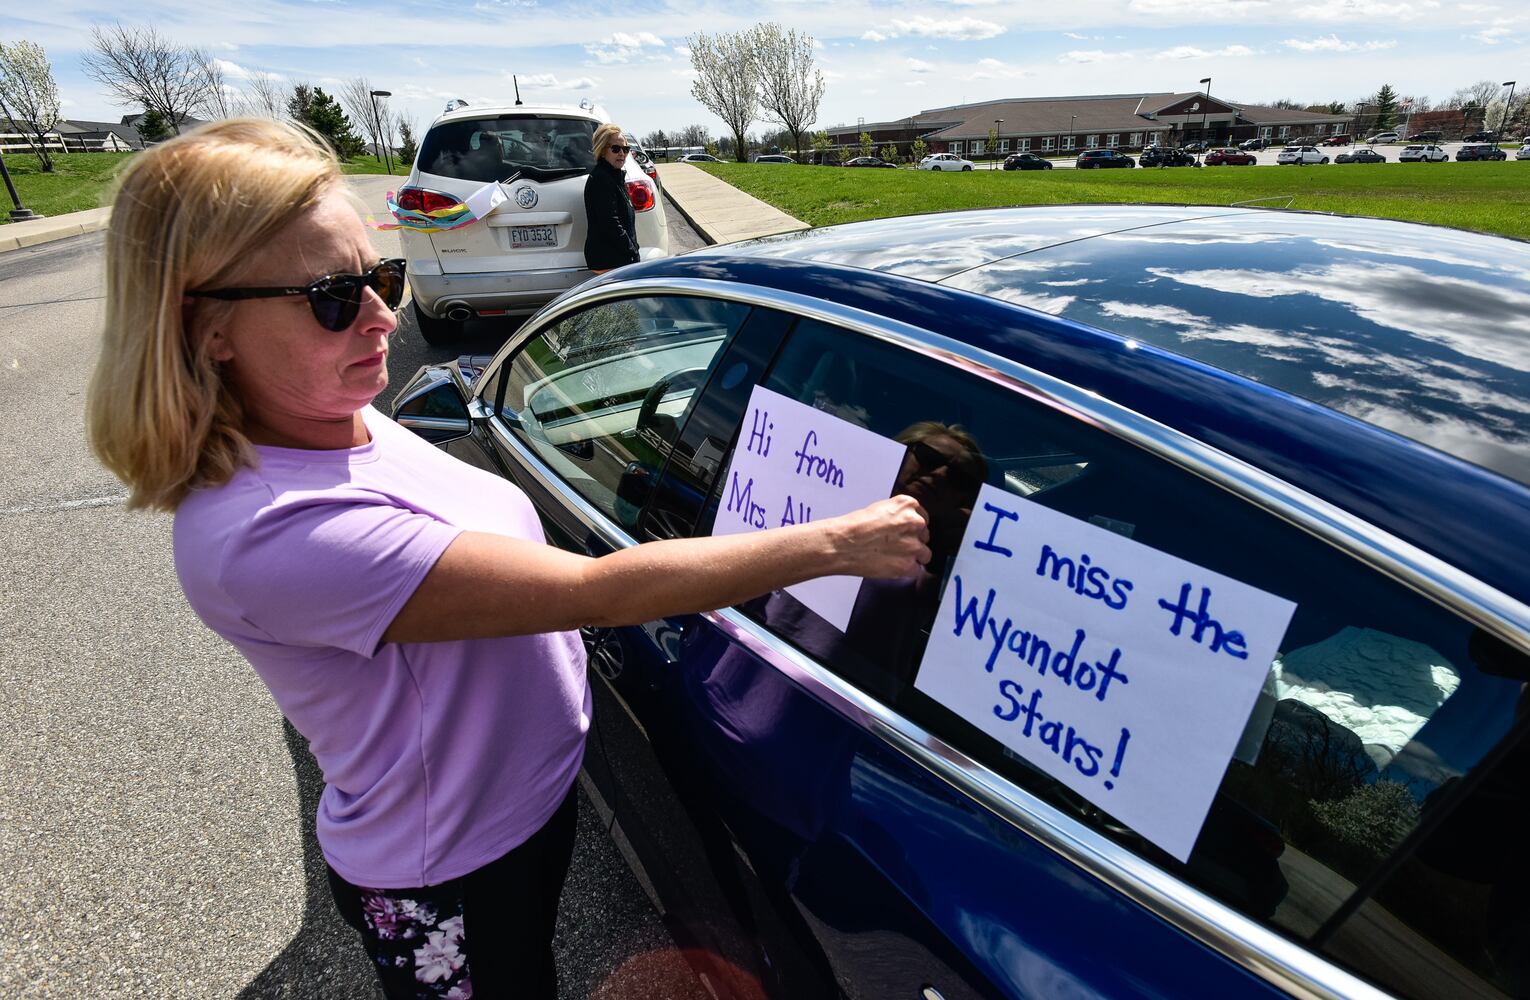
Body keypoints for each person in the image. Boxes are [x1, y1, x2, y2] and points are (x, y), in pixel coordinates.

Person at [85, 118, 930, 1000]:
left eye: (381, 277)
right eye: (331, 297)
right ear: (206, 325)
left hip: (512, 814)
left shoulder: (330, 412)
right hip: (447, 868)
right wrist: (840, 541)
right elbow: (598, 592)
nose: (381, 316)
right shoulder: (265, 533)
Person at [582, 123, 641, 274]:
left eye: (626, 149)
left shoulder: (614, 176)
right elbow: (610, 223)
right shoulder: (602, 179)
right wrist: (632, 251)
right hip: (610, 260)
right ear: (602, 150)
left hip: (617, 257)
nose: (622, 153)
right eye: (616, 149)